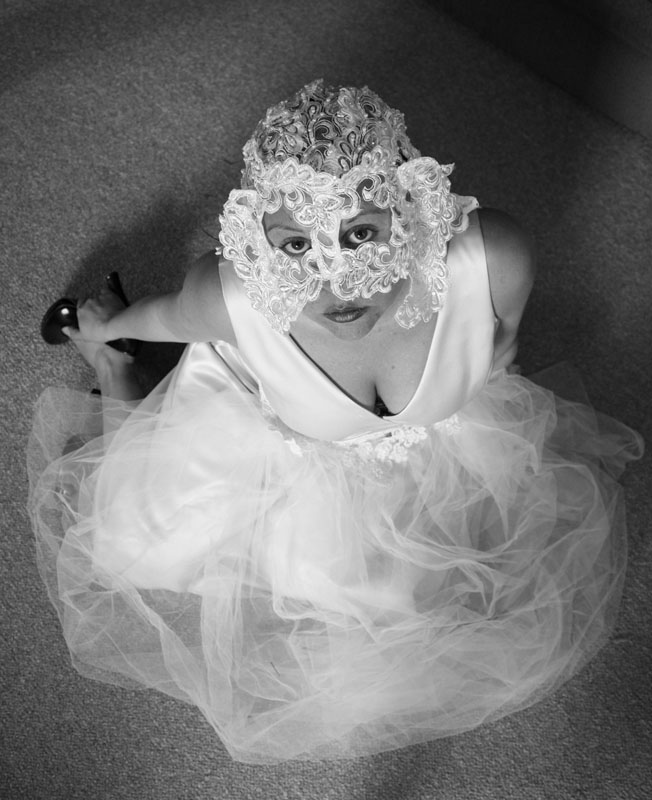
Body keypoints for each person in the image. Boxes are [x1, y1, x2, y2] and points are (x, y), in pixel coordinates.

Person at [28, 80, 643, 764]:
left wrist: (483, 400)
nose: (334, 285)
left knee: (401, 633)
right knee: (130, 540)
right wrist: (107, 326)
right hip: (274, 440)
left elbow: (501, 345)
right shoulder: (232, 296)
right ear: (259, 240)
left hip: (425, 450)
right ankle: (116, 367)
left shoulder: (493, 258)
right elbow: (167, 316)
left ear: (408, 208)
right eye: (295, 246)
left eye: (360, 235)